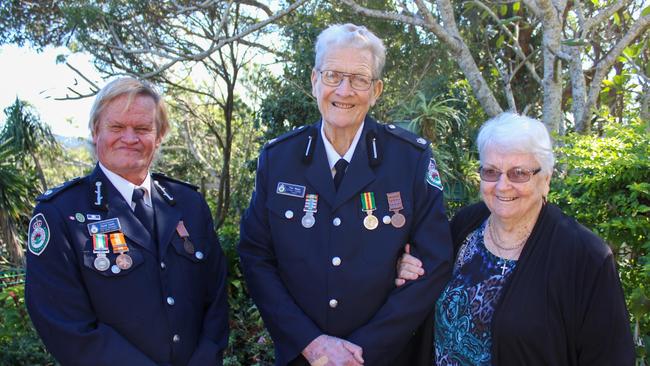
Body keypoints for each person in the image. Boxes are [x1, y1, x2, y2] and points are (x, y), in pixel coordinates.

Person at [238, 23, 453, 366]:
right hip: (303, 358)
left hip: (383, 358)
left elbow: (435, 261)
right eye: (333, 75)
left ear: (376, 90)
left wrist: (363, 351)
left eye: (359, 79)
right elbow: (255, 256)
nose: (344, 89)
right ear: (314, 81)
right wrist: (311, 343)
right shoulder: (278, 159)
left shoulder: (409, 159)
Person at [396, 112, 635, 365]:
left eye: (518, 173)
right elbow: (427, 278)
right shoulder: (465, 226)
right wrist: (406, 268)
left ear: (546, 180)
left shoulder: (586, 257)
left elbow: (610, 357)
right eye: (491, 172)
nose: (502, 186)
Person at [25, 77, 229, 366]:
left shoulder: (189, 204)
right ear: (96, 132)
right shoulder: (60, 213)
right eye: (117, 127)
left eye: (143, 128)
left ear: (159, 137)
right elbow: (65, 325)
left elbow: (216, 298)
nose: (130, 138)